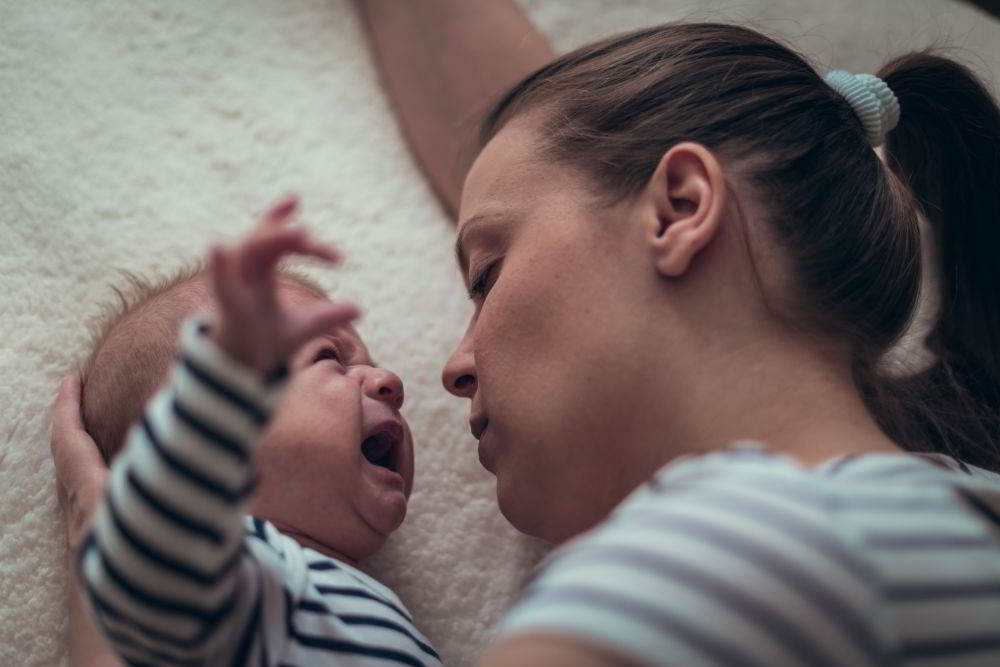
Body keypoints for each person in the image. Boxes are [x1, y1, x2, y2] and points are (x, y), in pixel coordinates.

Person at [55, 1, 1000, 665]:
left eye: (486, 274)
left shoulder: (710, 559)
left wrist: (113, 579)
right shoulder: (953, 506)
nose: (449, 367)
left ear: (679, 209)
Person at [64, 196, 443, 666]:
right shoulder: (242, 572)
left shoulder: (342, 594)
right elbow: (142, 555)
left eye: (371, 365)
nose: (390, 383)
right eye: (329, 358)